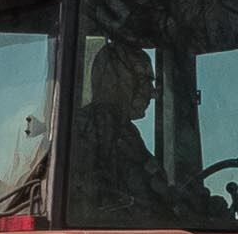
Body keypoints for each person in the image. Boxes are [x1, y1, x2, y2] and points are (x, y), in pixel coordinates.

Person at [56, 40, 174, 224]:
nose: (152, 92)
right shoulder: (98, 129)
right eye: (145, 81)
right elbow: (137, 199)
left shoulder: (119, 129)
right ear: (122, 80)